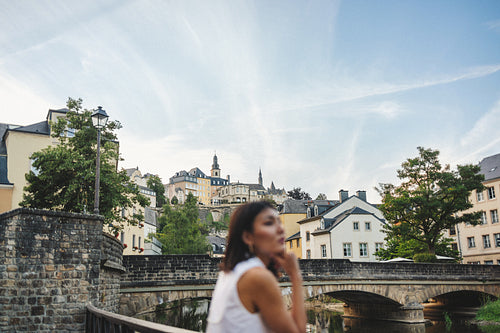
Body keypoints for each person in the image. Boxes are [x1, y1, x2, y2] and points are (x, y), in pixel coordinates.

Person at [207, 201, 306, 333]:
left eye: (279, 222)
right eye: (269, 223)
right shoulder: (257, 277)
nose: (281, 229)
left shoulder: (232, 273)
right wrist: (295, 275)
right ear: (248, 237)